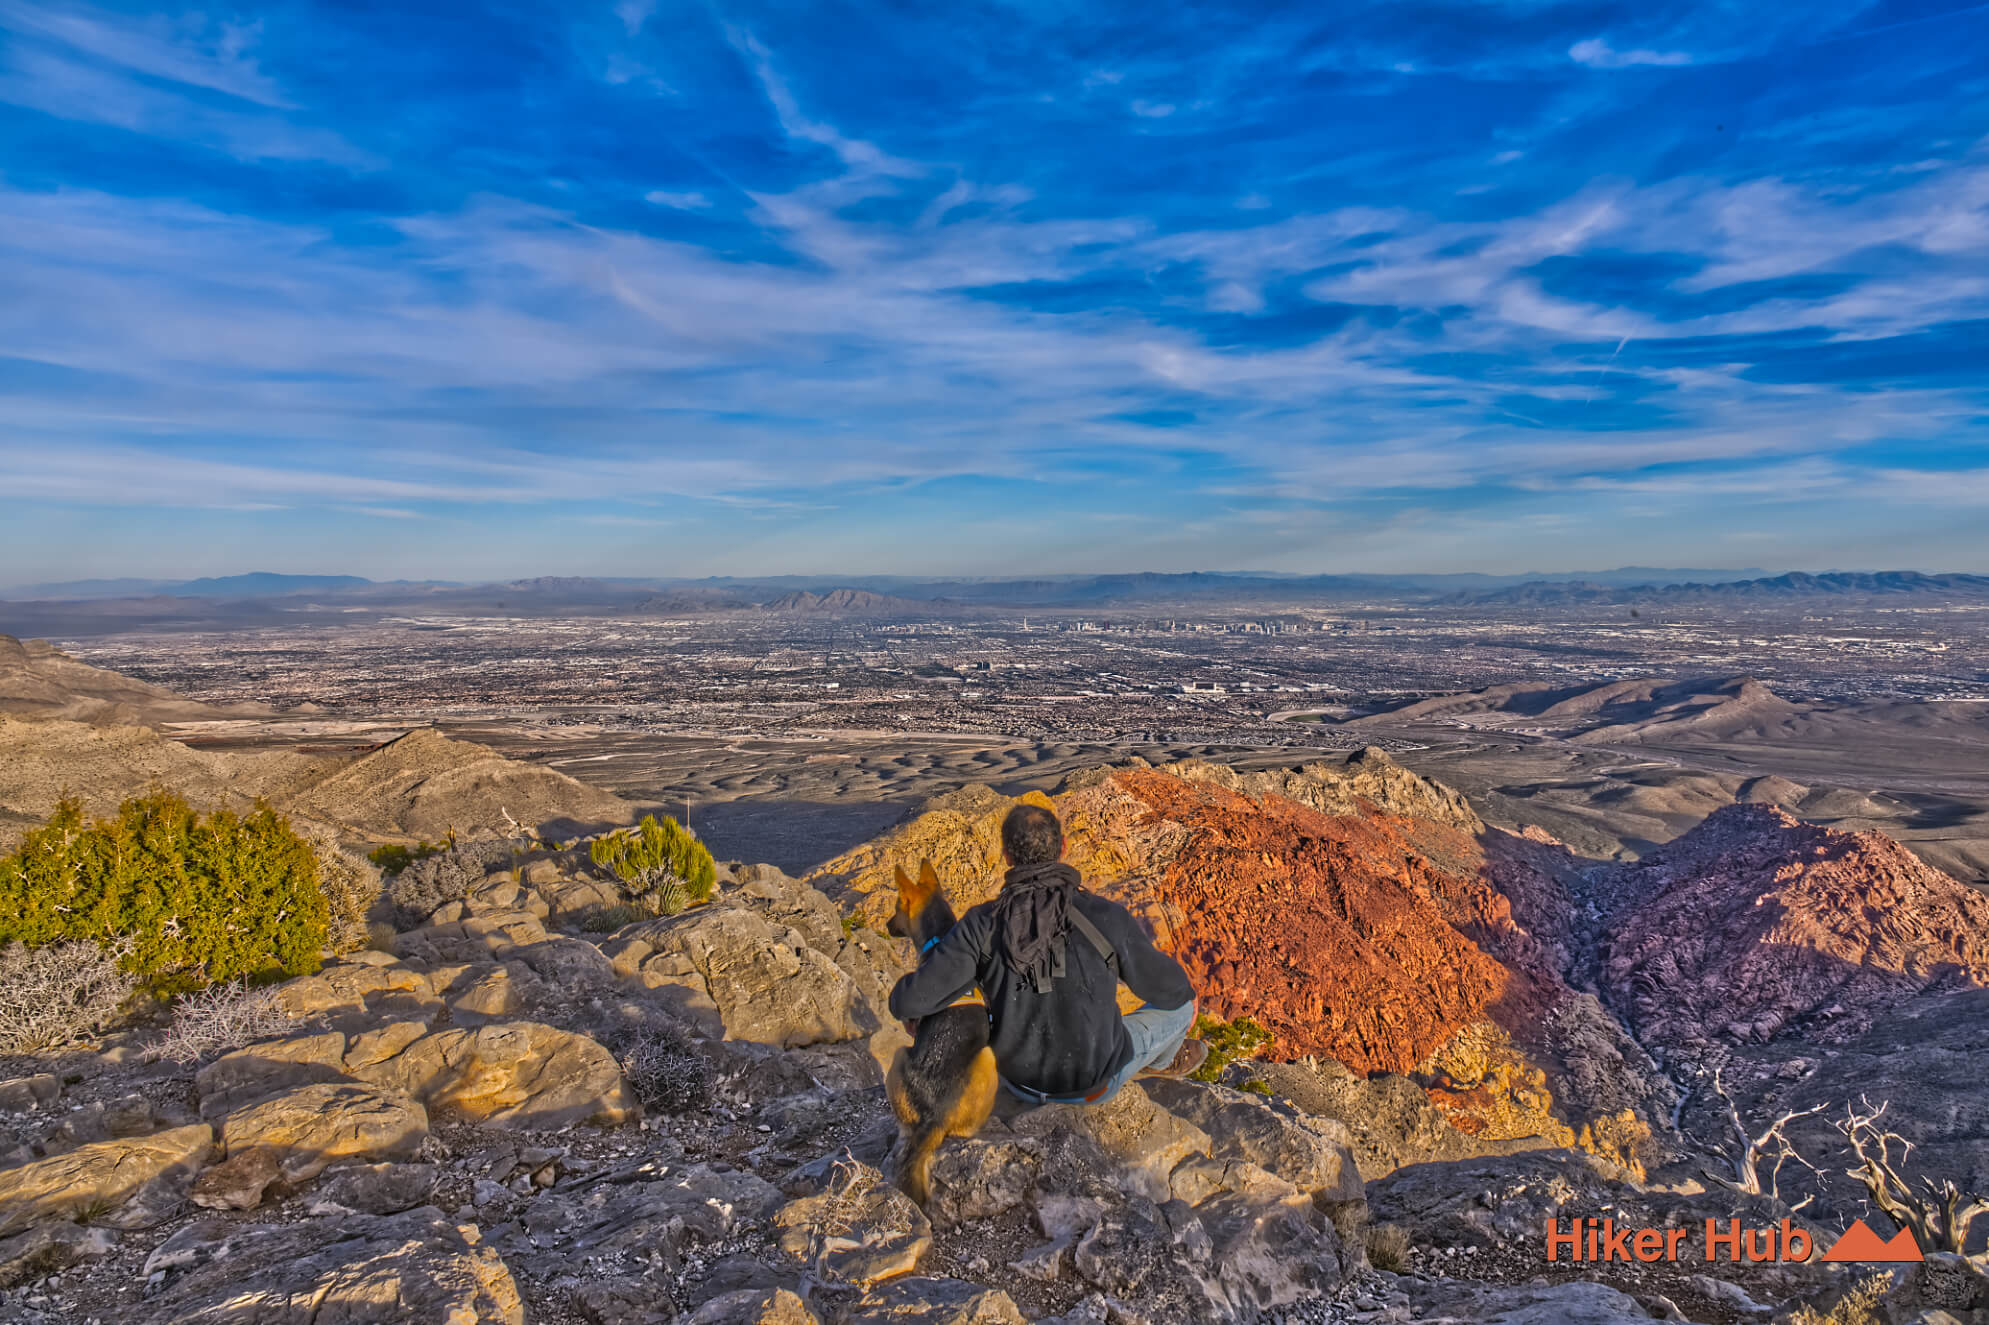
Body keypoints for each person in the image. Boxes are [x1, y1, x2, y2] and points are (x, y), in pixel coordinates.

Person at [887, 803, 1205, 1105]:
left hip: (1019, 1084)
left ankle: (1154, 1061)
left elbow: (909, 1001)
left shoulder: (980, 924)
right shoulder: (1104, 916)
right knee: (1183, 1007)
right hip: (1095, 1085)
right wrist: (1185, 994)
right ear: (1063, 848)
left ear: (1007, 856)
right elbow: (1170, 989)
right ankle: (1161, 1062)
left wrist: (913, 1003)